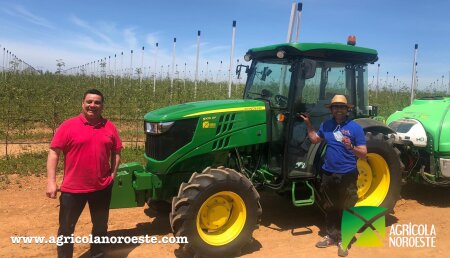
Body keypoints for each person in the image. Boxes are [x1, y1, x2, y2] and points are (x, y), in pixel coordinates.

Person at [46, 89, 122, 258]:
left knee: (100, 226)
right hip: (73, 190)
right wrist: (51, 181)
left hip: (101, 188)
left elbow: (116, 152)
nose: (92, 105)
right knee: (66, 228)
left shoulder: (110, 126)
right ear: (83, 103)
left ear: (102, 106)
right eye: (89, 102)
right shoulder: (68, 126)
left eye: (97, 102)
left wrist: (112, 175)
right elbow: (54, 152)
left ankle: (97, 254)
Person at [300, 95, 367, 257]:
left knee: (347, 206)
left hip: (347, 174)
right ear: (331, 109)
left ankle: (345, 240)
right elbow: (315, 139)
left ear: (347, 110)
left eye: (342, 107)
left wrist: (351, 147)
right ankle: (332, 236)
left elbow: (363, 153)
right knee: (330, 206)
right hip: (328, 173)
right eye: (335, 107)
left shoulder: (355, 128)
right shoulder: (327, 125)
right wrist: (308, 125)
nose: (338, 110)